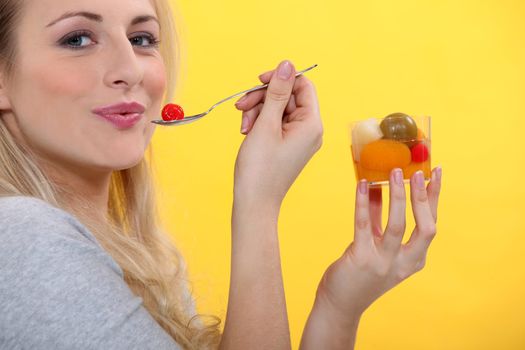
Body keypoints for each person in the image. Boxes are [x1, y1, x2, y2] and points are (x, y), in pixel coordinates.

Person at [0, 0, 442, 349]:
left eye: (141, 38)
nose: (131, 70)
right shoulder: (22, 236)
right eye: (78, 38)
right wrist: (258, 203)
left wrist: (338, 308)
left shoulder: (143, 261)